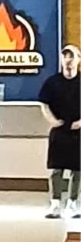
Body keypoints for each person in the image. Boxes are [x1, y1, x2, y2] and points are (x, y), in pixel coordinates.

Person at [40, 43, 80, 218]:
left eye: (72, 56)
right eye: (65, 56)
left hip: (78, 131)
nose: (68, 60)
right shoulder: (52, 82)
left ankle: (72, 204)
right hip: (59, 131)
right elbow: (44, 104)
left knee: (78, 170)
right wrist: (52, 121)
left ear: (78, 60)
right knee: (56, 169)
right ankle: (55, 204)